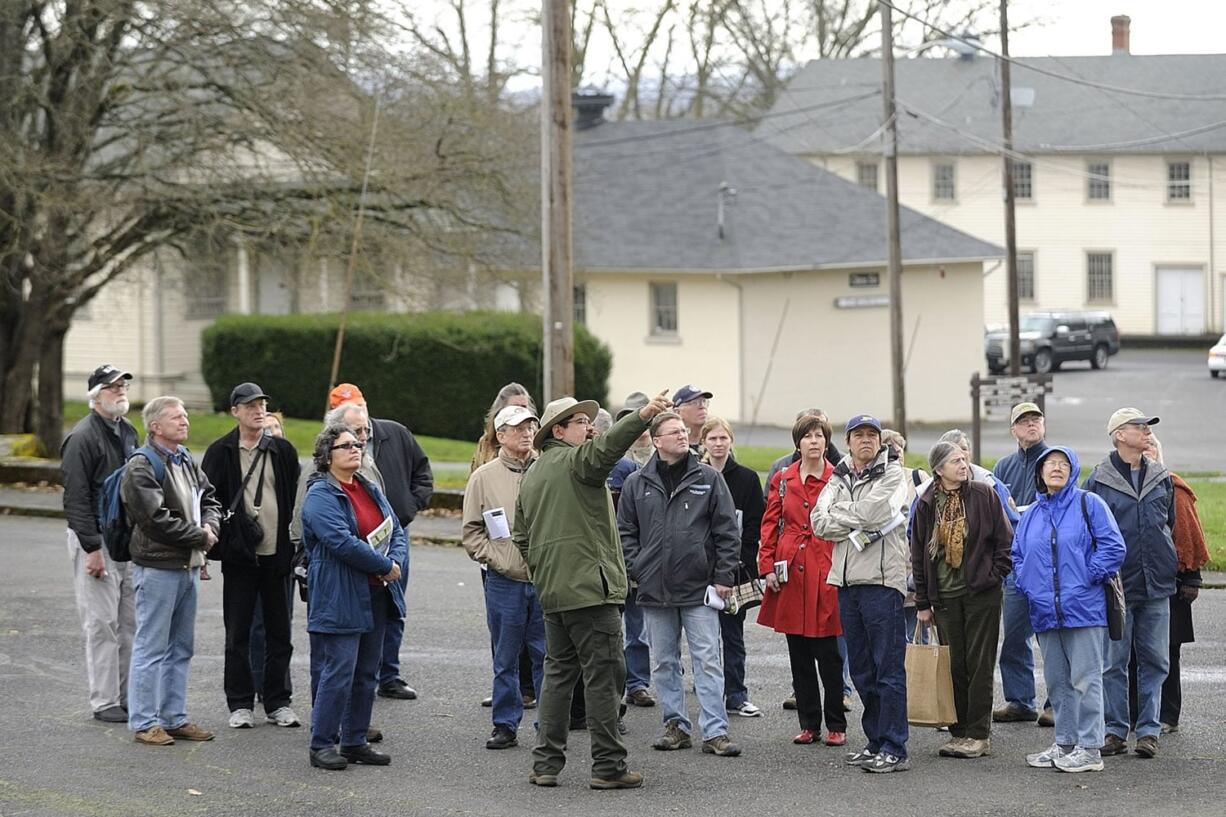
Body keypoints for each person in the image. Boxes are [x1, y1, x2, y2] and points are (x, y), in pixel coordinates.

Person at [513, 391, 671, 789]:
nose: (589, 427)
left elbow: (521, 536)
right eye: (580, 422)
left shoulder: (532, 473)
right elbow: (608, 447)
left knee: (558, 676)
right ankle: (609, 766)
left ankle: (545, 764)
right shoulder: (577, 462)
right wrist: (644, 415)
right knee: (604, 678)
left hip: (554, 592)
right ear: (559, 431)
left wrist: (547, 571)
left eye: (589, 421)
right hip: (590, 591)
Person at [618, 412, 743, 758]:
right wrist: (637, 567)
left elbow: (726, 531)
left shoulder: (708, 479)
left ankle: (715, 732)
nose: (683, 435)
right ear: (656, 441)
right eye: (674, 432)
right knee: (664, 662)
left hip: (699, 588)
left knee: (707, 659)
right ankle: (675, 726)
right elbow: (625, 531)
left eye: (684, 431)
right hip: (654, 588)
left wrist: (723, 576)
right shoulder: (636, 483)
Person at [301, 424, 407, 770]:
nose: (355, 449)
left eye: (358, 444)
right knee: (338, 671)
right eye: (346, 445)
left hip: (376, 592)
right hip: (340, 594)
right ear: (326, 457)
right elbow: (341, 542)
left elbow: (397, 529)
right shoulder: (320, 495)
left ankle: (355, 740)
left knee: (366, 673)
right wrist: (384, 565)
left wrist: (395, 563)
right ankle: (322, 744)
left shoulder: (369, 487)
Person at [1012, 447, 1125, 773]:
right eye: (1050, 464)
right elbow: (1017, 554)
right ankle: (1065, 743)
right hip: (1045, 613)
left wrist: (1088, 575)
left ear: (1073, 470)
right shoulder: (1032, 513)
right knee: (1058, 682)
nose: (1056, 469)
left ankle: (1090, 749)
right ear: (1040, 472)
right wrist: (1027, 583)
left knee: (1087, 680)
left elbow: (1113, 546)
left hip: (1084, 610)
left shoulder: (1089, 504)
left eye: (1063, 464)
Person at [812, 414, 910, 774]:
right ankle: (874, 742)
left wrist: (843, 513)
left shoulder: (895, 475)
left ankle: (895, 747)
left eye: (872, 435)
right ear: (849, 441)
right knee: (863, 672)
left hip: (883, 582)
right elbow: (818, 522)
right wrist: (852, 515)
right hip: (847, 583)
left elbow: (877, 512)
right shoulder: (838, 476)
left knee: (888, 669)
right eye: (859, 435)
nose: (866, 440)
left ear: (880, 442)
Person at [121, 396, 222, 746]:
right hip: (158, 567)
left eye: (185, 416)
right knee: (151, 646)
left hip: (188, 565)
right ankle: (145, 721)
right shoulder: (141, 465)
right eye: (176, 417)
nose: (185, 421)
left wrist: (211, 526)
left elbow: (210, 498)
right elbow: (153, 519)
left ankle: (174, 717)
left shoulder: (186, 460)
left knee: (181, 647)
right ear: (154, 426)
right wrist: (201, 536)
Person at [201, 383, 301, 730]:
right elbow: (208, 503)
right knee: (238, 632)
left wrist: (295, 547)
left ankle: (278, 701)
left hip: (278, 555)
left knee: (279, 632)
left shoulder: (283, 451)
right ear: (235, 412)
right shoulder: (220, 452)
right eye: (250, 405)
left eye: (262, 405)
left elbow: (293, 501)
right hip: (241, 557)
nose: (259, 410)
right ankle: (240, 702)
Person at [328, 382, 434, 702]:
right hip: (358, 544)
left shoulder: (394, 433)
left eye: (361, 408)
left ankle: (389, 674)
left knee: (394, 608)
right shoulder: (334, 449)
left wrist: (409, 507)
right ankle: (364, 676)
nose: (359, 435)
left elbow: (422, 470)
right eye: (350, 424)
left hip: (395, 536)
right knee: (363, 611)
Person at [1084, 408, 1180, 759]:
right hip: (1117, 587)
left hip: (1157, 584)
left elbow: (1168, 523)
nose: (1146, 432)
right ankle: (1114, 730)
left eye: (1147, 427)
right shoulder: (1098, 480)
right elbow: (1087, 534)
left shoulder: (1161, 476)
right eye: (1139, 427)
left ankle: (1149, 731)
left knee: (1156, 661)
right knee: (1114, 662)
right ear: (1119, 435)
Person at [910, 442, 1013, 759]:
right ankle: (959, 731)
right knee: (955, 665)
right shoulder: (927, 501)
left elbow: (1005, 540)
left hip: (981, 593)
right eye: (955, 460)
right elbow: (918, 553)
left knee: (980, 663)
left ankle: (979, 734)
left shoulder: (983, 494)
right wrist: (923, 602)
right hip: (944, 598)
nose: (963, 464)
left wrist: (993, 575)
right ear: (938, 469)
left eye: (964, 459)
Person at [758, 413, 846, 746]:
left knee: (829, 652)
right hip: (790, 567)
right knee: (798, 652)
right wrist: (767, 567)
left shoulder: (839, 478)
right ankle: (809, 723)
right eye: (807, 436)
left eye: (819, 435)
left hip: (825, 565)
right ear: (798, 442)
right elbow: (770, 524)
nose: (814, 441)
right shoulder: (783, 478)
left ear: (827, 441)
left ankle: (836, 724)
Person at [462, 405, 545, 750]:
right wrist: (497, 559)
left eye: (530, 426)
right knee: (506, 657)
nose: (526, 433)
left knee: (547, 656)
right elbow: (471, 532)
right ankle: (505, 724)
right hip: (504, 580)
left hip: (544, 579)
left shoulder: (546, 469)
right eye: (517, 428)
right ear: (501, 436)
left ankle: (549, 725)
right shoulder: (483, 477)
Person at [61, 364, 139, 723]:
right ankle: (104, 700)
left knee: (128, 623)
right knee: (101, 622)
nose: (120, 390)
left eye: (122, 385)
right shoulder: (83, 437)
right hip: (97, 540)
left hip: (125, 541)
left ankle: (126, 695)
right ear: (95, 396)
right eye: (112, 386)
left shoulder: (127, 431)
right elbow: (76, 497)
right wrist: (91, 548)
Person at [1140, 434, 1207, 733]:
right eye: (1142, 448)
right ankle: (1136, 713)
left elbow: (1190, 534)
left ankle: (1168, 715)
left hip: (1172, 583)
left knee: (1167, 652)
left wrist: (1191, 577)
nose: (1147, 452)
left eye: (1151, 447)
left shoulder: (1173, 487)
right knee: (1131, 653)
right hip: (1136, 582)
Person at [991, 402, 1052, 725]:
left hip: (1049, 565)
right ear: (1013, 430)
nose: (1031, 424)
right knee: (1014, 635)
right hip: (1015, 565)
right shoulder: (1003, 467)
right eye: (1024, 421)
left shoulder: (1056, 460)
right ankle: (1020, 700)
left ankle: (1056, 703)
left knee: (1054, 636)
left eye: (1036, 419)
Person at [700, 417, 765, 719]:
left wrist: (744, 561)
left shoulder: (747, 479)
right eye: (712, 438)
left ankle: (736, 694)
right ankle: (708, 694)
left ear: (731, 441)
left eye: (723, 438)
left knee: (732, 636)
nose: (717, 443)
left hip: (734, 570)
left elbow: (754, 526)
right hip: (697, 570)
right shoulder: (694, 476)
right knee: (702, 639)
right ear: (703, 442)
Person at [609, 391, 656, 710]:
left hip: (641, 555)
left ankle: (637, 684)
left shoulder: (657, 462)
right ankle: (611, 687)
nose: (638, 429)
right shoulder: (612, 462)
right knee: (609, 629)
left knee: (638, 628)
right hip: (609, 557)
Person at [765, 409, 843, 497]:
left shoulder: (845, 468)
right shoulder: (780, 469)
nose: (814, 440)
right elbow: (769, 504)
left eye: (819, 434)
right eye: (807, 434)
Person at [471, 382, 535, 473]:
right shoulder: (486, 442)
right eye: (515, 406)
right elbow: (476, 476)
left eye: (524, 407)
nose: (520, 411)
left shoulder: (536, 441)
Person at [672, 384, 712, 451]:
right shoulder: (671, 445)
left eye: (704, 401)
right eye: (694, 403)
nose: (702, 406)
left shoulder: (715, 441)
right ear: (677, 412)